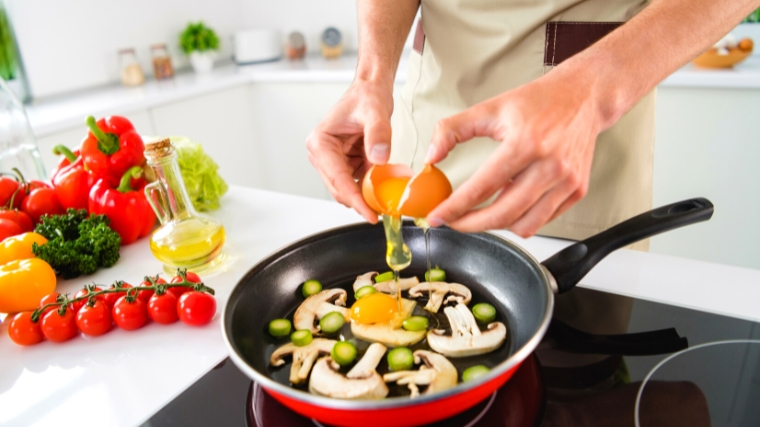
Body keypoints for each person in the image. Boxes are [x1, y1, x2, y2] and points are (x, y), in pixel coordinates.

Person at [306, 0, 755, 391]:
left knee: (577, 380)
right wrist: (371, 74)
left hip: (582, 135)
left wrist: (592, 91)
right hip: (430, 137)